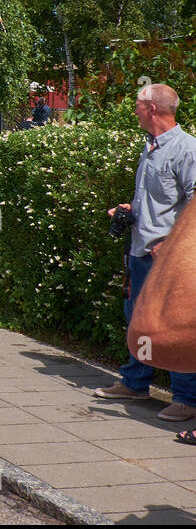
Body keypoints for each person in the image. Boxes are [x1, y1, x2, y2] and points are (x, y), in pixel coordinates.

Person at [97, 83, 196, 421]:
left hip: (167, 259)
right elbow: (162, 199)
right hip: (141, 250)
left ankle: (186, 399)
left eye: (137, 105)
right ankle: (135, 383)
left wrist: (171, 244)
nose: (134, 111)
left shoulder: (186, 149)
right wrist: (132, 207)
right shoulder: (151, 147)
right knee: (138, 320)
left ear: (152, 108)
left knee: (172, 327)